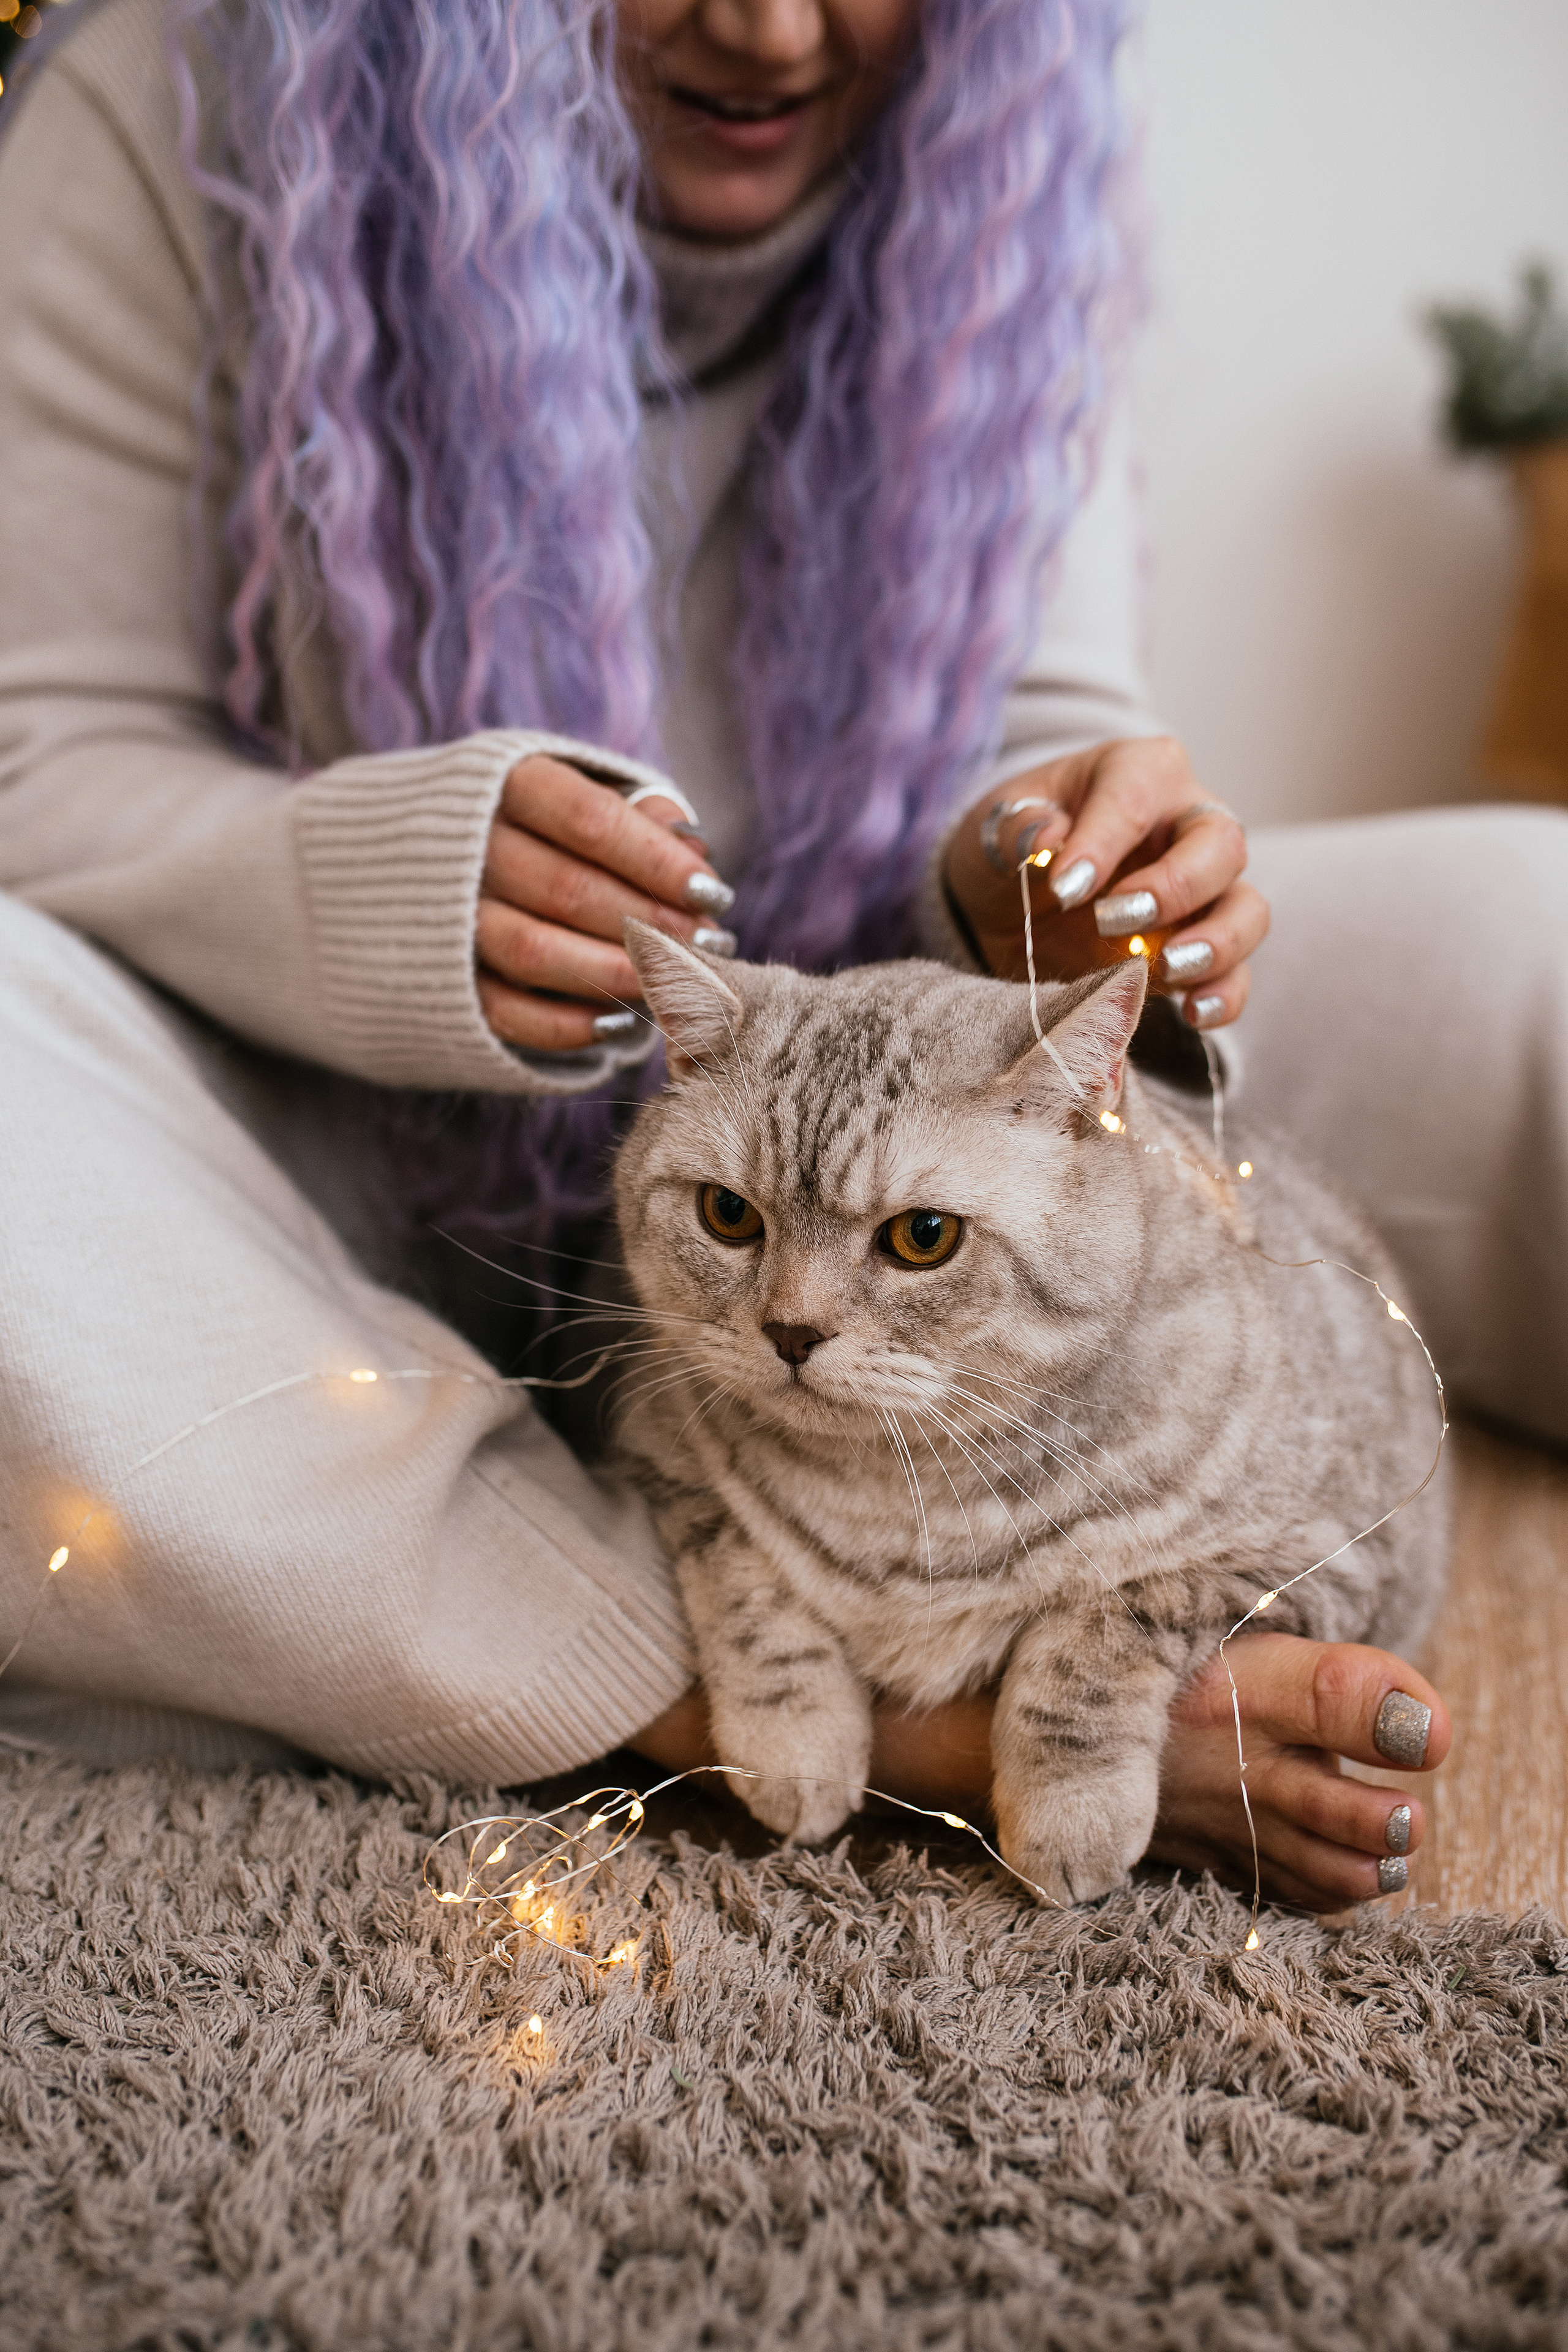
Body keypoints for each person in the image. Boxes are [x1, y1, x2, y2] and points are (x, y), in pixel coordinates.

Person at [0, 0, 1562, 1915]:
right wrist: (377, 888)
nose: (769, 27)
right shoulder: (165, 86)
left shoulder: (1013, 140)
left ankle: (834, 1616)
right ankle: (747, 1693)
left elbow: (1047, 717)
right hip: (292, 1169)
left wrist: (1041, 869)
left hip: (916, 1135)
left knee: (1536, 918)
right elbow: (36, 754)